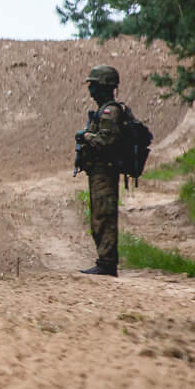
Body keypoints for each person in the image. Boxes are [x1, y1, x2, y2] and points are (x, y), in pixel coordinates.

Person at [75, 65, 132, 276]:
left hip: (105, 172)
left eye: (94, 85)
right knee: (99, 216)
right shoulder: (104, 111)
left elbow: (106, 141)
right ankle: (105, 261)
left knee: (104, 216)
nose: (91, 90)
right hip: (99, 172)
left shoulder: (110, 112)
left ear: (104, 87)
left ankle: (107, 263)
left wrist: (86, 137)